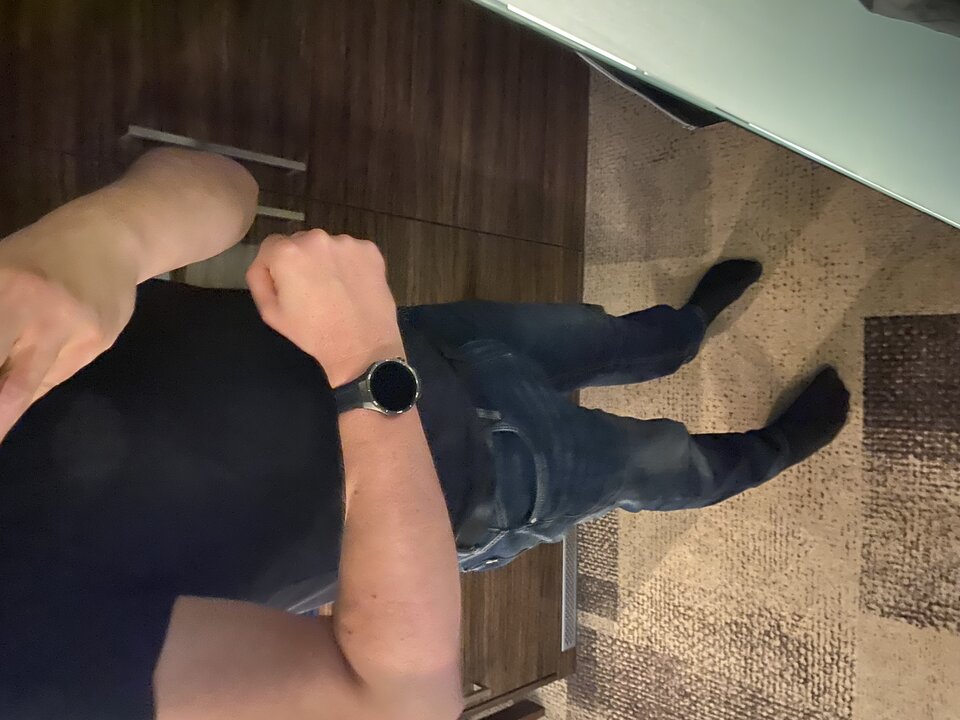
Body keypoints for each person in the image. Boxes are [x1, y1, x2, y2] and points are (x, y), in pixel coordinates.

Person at [0, 149, 850, 718]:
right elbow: (397, 700)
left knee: (609, 336)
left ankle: (684, 331)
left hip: (410, 339)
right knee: (662, 462)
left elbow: (224, 185)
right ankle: (765, 454)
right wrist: (365, 361)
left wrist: (99, 238)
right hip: (461, 482)